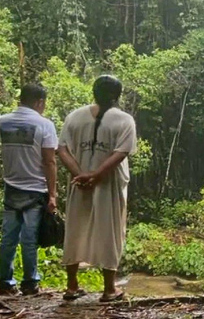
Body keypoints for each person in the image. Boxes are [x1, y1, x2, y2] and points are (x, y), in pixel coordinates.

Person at [59, 75, 136, 302]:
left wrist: (80, 175)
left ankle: (72, 286)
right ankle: (109, 289)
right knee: (110, 232)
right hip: (108, 185)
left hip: (78, 184)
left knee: (75, 229)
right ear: (117, 96)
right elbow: (120, 153)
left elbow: (62, 149)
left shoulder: (75, 117)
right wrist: (96, 175)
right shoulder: (124, 120)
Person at [0, 84, 58, 296]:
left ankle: (4, 282)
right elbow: (50, 161)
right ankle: (30, 282)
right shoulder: (44, 125)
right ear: (39, 102)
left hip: (11, 186)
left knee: (8, 237)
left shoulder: (3, 122)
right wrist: (52, 194)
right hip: (35, 189)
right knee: (29, 238)